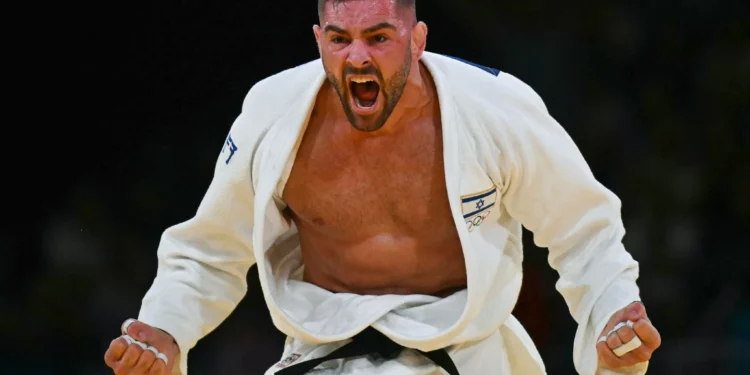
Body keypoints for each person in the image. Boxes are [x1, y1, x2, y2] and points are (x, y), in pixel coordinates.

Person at [103, 0, 662, 374]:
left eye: (378, 37)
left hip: (467, 354)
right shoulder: (271, 114)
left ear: (417, 40)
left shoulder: (497, 109)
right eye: (340, 39)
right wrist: (165, 329)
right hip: (323, 353)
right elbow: (210, 249)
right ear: (319, 40)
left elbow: (583, 232)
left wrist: (614, 311)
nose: (358, 56)